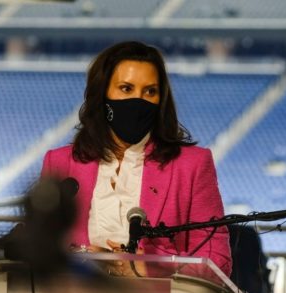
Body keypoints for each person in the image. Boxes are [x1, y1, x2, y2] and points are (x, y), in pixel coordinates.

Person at [40, 41, 232, 277]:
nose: (138, 101)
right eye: (126, 88)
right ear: (102, 95)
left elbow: (218, 261)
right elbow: (40, 249)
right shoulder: (59, 163)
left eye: (150, 91)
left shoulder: (192, 165)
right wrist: (85, 263)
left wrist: (151, 268)